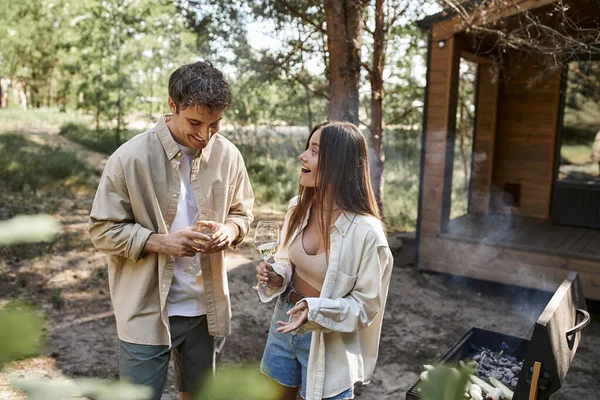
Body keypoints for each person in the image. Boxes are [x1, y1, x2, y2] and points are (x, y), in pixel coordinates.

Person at [89, 61, 254, 400]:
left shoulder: (229, 155)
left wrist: (230, 230)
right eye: (194, 122)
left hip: (207, 308)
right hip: (147, 310)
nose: (205, 135)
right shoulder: (129, 158)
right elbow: (102, 230)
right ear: (172, 106)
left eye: (215, 124)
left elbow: (243, 214)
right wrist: (159, 242)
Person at [255, 121, 393, 400]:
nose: (302, 156)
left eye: (314, 151)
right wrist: (278, 275)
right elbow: (284, 256)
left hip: (330, 342)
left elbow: (366, 307)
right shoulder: (298, 207)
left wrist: (315, 311)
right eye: (308, 148)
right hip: (284, 322)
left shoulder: (367, 233)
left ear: (338, 163)